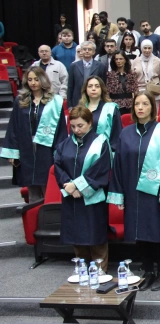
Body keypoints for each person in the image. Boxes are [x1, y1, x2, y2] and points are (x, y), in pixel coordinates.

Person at [107, 91, 160, 291]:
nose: (140, 107)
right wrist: (119, 192)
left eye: (145, 104)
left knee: (157, 233)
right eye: (137, 104)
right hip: (133, 192)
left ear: (152, 107)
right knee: (140, 234)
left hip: (156, 194)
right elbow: (119, 164)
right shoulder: (126, 133)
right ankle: (148, 272)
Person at [54, 106, 112, 272]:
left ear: (89, 123)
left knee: (96, 239)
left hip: (93, 199)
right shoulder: (65, 144)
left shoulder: (100, 142)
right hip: (71, 198)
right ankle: (82, 272)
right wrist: (69, 186)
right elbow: (58, 166)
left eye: (80, 126)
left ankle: (100, 274)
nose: (76, 130)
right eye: (73, 126)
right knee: (76, 238)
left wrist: (78, 185)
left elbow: (101, 169)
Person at [1, 66, 68, 202]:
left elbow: (61, 129)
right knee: (31, 185)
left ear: (43, 80)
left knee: (48, 183)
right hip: (26, 146)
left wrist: (59, 152)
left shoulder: (54, 101)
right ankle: (34, 216)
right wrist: (13, 152)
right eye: (30, 79)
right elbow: (14, 126)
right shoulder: (20, 101)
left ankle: (49, 218)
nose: (33, 83)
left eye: (36, 79)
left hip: (46, 147)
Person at [80, 75, 122, 150]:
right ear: (85, 89)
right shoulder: (80, 109)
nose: (93, 89)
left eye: (97, 86)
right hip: (82, 151)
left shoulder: (111, 109)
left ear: (102, 89)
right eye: (90, 86)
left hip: (104, 152)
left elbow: (117, 134)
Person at [67, 41, 107, 109]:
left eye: (89, 49)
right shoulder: (74, 66)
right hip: (77, 100)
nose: (87, 51)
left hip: (95, 100)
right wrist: (70, 105)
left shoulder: (101, 66)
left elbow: (103, 86)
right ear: (81, 51)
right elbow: (70, 86)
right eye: (84, 49)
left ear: (94, 52)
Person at [133, 40, 160, 105]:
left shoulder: (157, 61)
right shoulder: (136, 61)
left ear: (152, 49)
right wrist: (134, 91)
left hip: (155, 91)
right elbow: (132, 78)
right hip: (140, 91)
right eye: (145, 48)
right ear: (141, 48)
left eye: (149, 48)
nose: (147, 50)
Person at [106, 51, 137, 115]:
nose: (118, 61)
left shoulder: (132, 74)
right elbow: (107, 92)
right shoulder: (110, 75)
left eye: (120, 59)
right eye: (116, 59)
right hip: (115, 104)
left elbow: (135, 90)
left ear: (125, 60)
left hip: (129, 104)